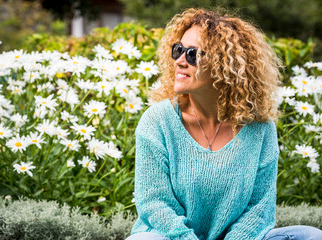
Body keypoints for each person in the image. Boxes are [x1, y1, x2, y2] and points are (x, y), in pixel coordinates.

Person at [125, 8, 322, 240]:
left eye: (192, 54)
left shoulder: (259, 127)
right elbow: (154, 204)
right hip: (170, 238)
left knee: (309, 236)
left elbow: (259, 209)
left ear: (225, 65)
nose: (179, 60)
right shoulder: (157, 122)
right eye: (178, 50)